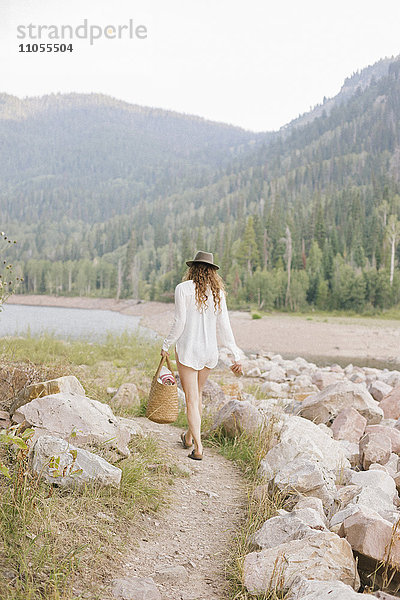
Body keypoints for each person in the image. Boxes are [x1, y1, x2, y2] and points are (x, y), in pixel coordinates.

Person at [161, 250, 243, 461]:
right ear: (212, 272)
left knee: (191, 399)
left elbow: (179, 323)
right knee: (196, 396)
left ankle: (198, 448)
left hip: (188, 349)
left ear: (193, 268)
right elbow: (225, 327)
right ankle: (188, 437)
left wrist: (166, 344)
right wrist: (235, 354)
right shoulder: (218, 294)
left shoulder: (183, 289)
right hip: (209, 352)